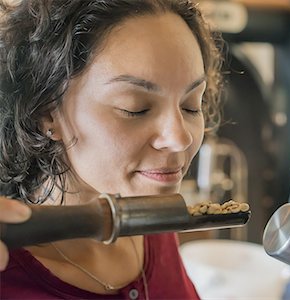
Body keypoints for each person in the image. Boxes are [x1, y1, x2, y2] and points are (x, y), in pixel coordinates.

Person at [0, 0, 223, 299]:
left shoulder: (149, 218)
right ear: (47, 113)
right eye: (135, 109)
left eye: (191, 106)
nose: (180, 138)